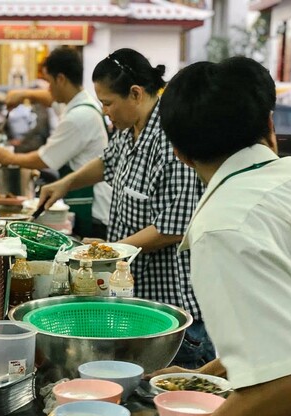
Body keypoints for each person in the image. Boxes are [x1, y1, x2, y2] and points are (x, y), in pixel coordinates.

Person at [92, 56, 291, 416]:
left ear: (179, 154)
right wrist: (215, 370)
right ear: (270, 127)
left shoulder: (224, 227)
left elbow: (287, 385)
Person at [38, 48, 212, 368]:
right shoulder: (129, 129)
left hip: (174, 317)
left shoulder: (170, 135)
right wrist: (66, 183)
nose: (105, 112)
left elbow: (177, 223)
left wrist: (107, 250)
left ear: (135, 93)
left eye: (107, 103)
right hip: (137, 300)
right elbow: (107, 162)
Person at [0, 47, 112, 239]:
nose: (48, 89)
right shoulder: (83, 101)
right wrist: (24, 94)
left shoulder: (78, 117)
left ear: (60, 79)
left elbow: (44, 159)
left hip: (90, 208)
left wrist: (9, 157)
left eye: (48, 82)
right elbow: (51, 99)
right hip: (87, 201)